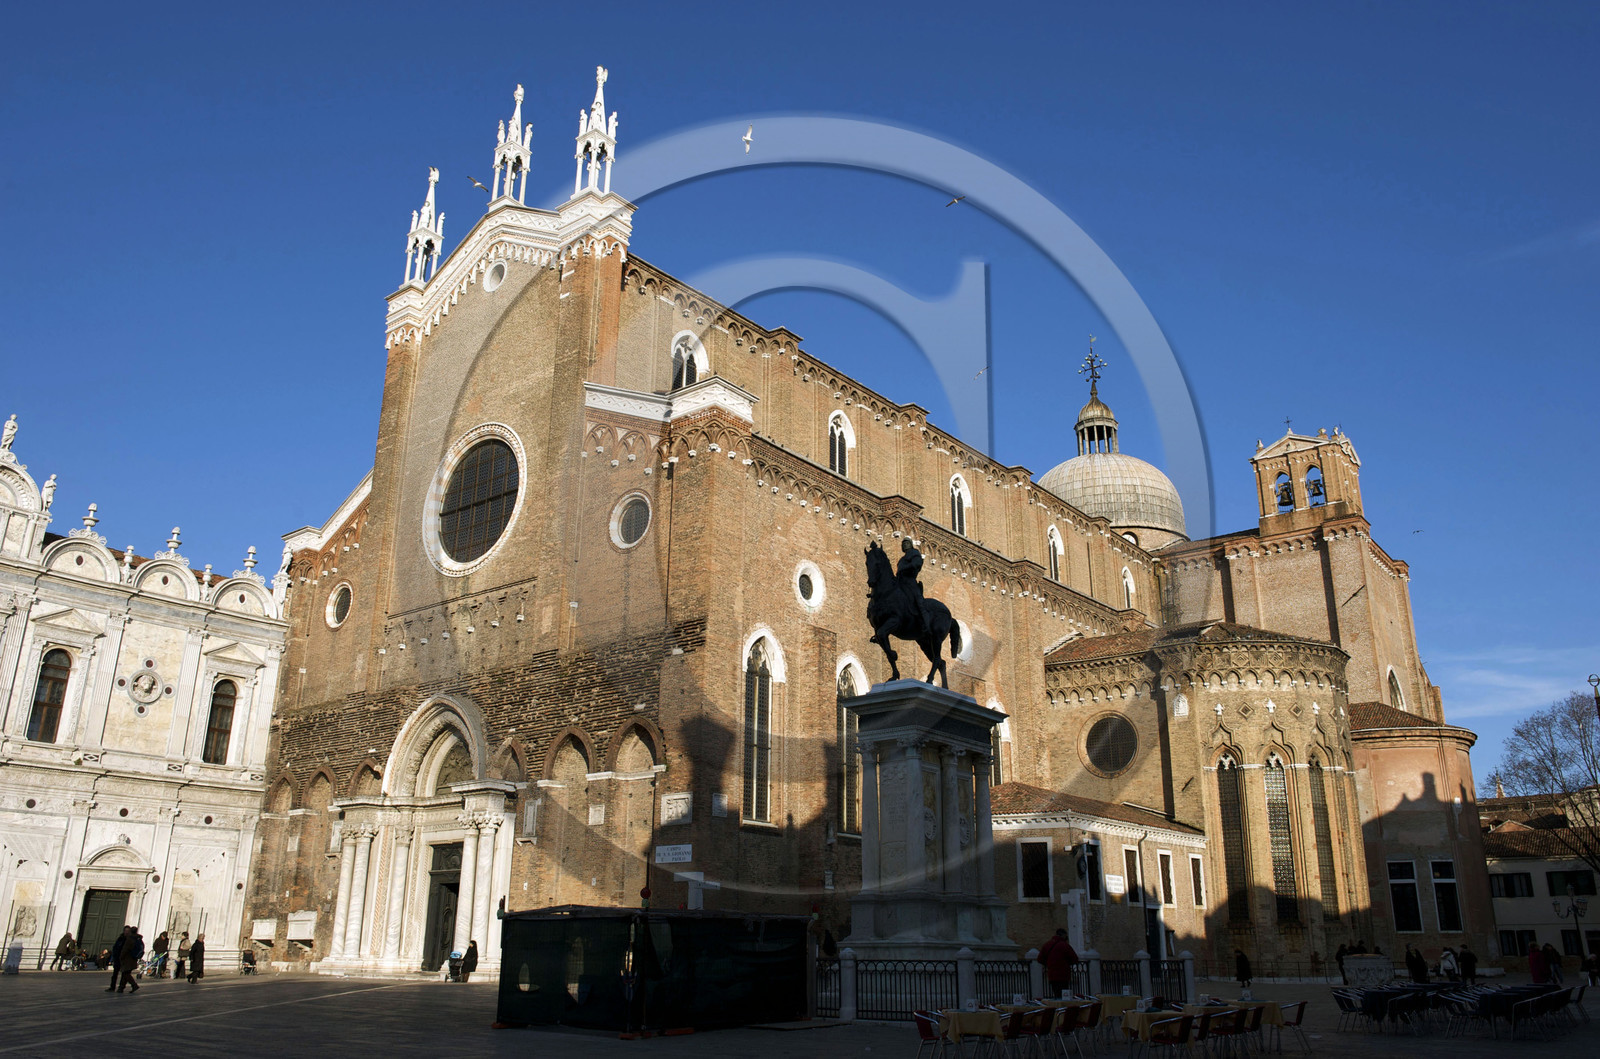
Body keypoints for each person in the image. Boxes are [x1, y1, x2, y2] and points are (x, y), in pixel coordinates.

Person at [1037, 928, 1080, 997]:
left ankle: (1057, 1006)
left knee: (1056, 993)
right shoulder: (1065, 945)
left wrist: (1048, 964)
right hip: (1064, 975)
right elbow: (1074, 959)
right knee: (1064, 995)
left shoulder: (1047, 945)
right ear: (1064, 935)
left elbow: (1039, 959)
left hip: (1052, 975)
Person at [115, 927, 144, 993]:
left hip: (127, 959)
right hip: (133, 958)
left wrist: (121, 957)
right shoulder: (138, 938)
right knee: (126, 973)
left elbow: (125, 949)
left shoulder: (130, 939)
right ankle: (121, 988)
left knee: (125, 973)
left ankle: (134, 985)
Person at [105, 926, 131, 992]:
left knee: (124, 975)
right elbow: (115, 947)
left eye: (128, 931)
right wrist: (114, 956)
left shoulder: (130, 940)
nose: (126, 932)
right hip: (118, 958)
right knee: (114, 974)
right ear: (124, 931)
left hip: (125, 959)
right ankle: (112, 987)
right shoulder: (120, 938)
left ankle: (121, 988)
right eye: (126, 931)